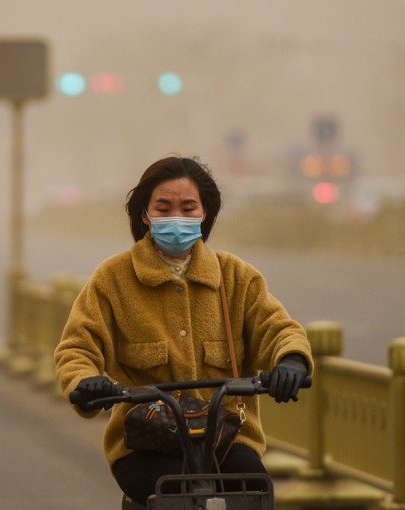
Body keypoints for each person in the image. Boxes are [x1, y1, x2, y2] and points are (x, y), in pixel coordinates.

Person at [54, 156, 313, 505]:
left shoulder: (237, 278)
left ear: (204, 213)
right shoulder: (112, 279)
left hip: (225, 441)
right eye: (164, 207)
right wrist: (85, 382)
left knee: (254, 491)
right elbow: (77, 348)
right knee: (176, 497)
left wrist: (292, 361)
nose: (177, 216)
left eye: (188, 207)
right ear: (145, 214)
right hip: (144, 443)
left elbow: (278, 328)